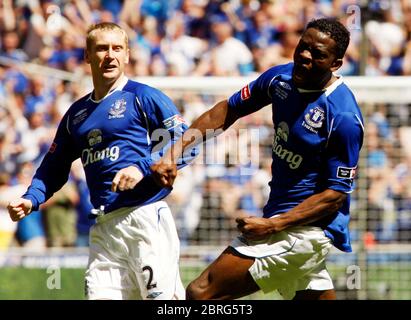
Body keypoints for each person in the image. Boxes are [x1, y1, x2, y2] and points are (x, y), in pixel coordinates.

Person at [151, 18, 364, 300]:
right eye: (303, 46)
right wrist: (174, 153)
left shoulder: (343, 116)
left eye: (318, 54)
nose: (305, 56)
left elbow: (335, 195)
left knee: (201, 293)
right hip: (282, 220)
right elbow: (228, 111)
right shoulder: (280, 79)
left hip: (304, 231)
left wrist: (274, 225)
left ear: (335, 64)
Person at [7, 22, 192, 300]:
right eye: (102, 48)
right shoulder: (76, 114)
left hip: (145, 218)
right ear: (87, 56)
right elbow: (53, 165)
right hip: (104, 228)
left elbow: (188, 142)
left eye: (117, 48)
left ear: (127, 55)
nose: (110, 55)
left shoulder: (144, 97)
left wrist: (142, 168)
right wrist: (32, 197)